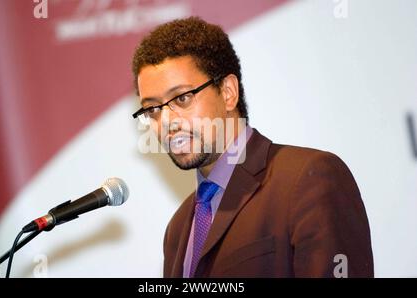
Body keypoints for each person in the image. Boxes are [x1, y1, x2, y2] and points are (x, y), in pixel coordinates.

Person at [131, 17, 373, 278]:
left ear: (228, 92)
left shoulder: (307, 180)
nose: (166, 121)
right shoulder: (177, 230)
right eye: (153, 109)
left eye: (182, 98)